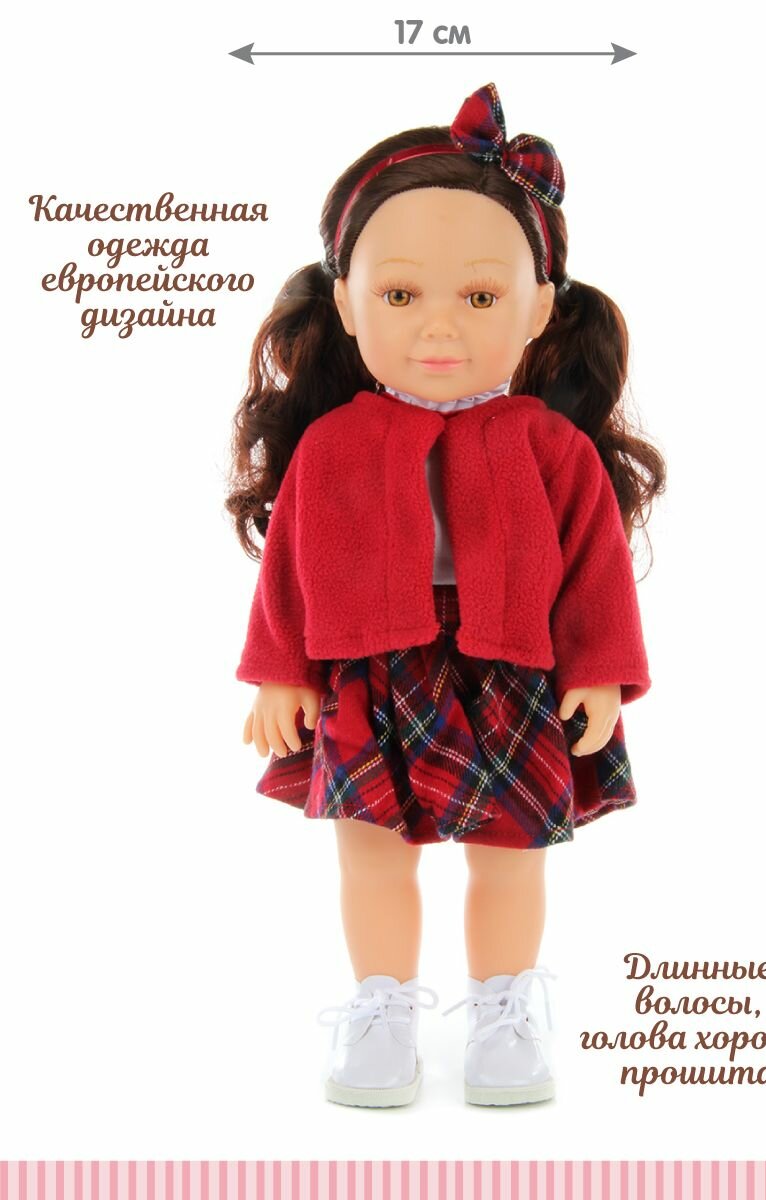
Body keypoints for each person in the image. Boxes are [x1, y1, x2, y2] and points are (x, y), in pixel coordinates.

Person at [225, 81, 666, 1109]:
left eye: (479, 298)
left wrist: (601, 670)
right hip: (368, 665)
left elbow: (596, 566)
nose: (439, 329)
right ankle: (380, 1010)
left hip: (510, 665)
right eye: (398, 296)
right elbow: (289, 565)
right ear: (344, 302)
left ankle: (504, 1013)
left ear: (540, 307)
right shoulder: (331, 446)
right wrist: (280, 671)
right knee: (371, 852)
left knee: (511, 855)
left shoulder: (551, 447)